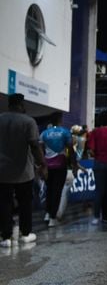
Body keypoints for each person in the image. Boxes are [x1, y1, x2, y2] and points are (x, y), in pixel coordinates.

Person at [0, 93, 47, 247]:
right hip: (23, 172)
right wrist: (42, 164)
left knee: (4, 203)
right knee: (25, 202)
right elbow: (34, 145)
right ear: (21, 105)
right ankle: (25, 234)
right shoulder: (28, 121)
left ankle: (6, 237)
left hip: (2, 171)